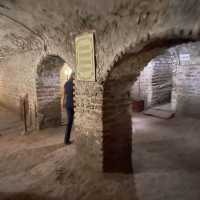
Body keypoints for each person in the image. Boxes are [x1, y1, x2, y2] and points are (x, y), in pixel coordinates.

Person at [63, 73, 74, 145]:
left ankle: (66, 140)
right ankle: (66, 140)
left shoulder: (66, 83)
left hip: (68, 105)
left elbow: (65, 94)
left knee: (69, 122)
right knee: (70, 122)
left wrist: (63, 102)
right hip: (73, 105)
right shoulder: (74, 83)